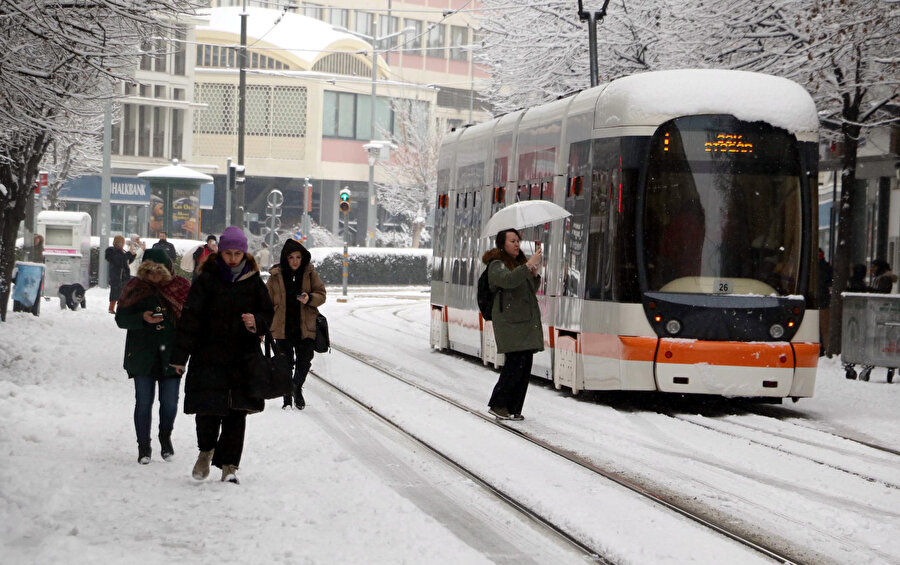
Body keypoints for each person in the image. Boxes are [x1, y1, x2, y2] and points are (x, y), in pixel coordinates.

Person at [170, 227, 274, 485]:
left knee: (236, 414)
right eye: (228, 252)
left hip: (242, 358)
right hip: (209, 356)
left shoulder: (253, 281)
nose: (233, 258)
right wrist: (180, 356)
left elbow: (268, 313)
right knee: (207, 411)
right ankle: (206, 451)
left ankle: (229, 466)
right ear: (220, 252)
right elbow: (190, 317)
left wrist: (257, 322)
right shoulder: (207, 279)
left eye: (238, 253)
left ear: (244, 253)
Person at [115, 249, 191, 464]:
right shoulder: (134, 288)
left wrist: (184, 352)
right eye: (150, 273)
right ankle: (143, 446)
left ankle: (165, 437)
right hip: (142, 355)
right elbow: (121, 319)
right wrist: (142, 318)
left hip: (172, 355)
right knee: (143, 402)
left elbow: (189, 322)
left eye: (159, 273)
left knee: (169, 403)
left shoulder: (181, 288)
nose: (155, 278)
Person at [482, 228, 544, 420]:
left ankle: (514, 407)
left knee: (524, 364)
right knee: (515, 364)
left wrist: (533, 274)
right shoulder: (497, 265)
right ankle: (499, 404)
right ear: (502, 244)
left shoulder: (519, 264)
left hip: (523, 321)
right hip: (510, 323)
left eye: (518, 241)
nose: (517, 244)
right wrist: (527, 267)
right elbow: (507, 281)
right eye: (512, 241)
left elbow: (529, 289)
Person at [266, 239, 326, 410]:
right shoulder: (275, 276)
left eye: (298, 257)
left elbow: (321, 294)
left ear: (303, 258)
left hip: (304, 326)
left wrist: (310, 299)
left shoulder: (309, 273)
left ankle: (296, 387)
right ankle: (287, 398)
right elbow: (266, 300)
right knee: (284, 364)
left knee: (304, 360)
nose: (294, 261)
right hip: (282, 326)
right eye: (291, 257)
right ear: (285, 258)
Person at [105, 235, 136, 314]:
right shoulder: (112, 251)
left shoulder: (123, 251)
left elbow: (126, 261)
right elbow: (119, 261)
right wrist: (128, 254)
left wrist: (132, 255)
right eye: (122, 242)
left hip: (124, 275)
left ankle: (121, 308)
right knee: (115, 292)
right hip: (117, 275)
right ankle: (111, 308)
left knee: (123, 293)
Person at [817, 249, 833, 356]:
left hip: (816, 302)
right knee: (825, 329)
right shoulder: (827, 268)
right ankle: (826, 349)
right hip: (824, 302)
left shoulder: (814, 269)